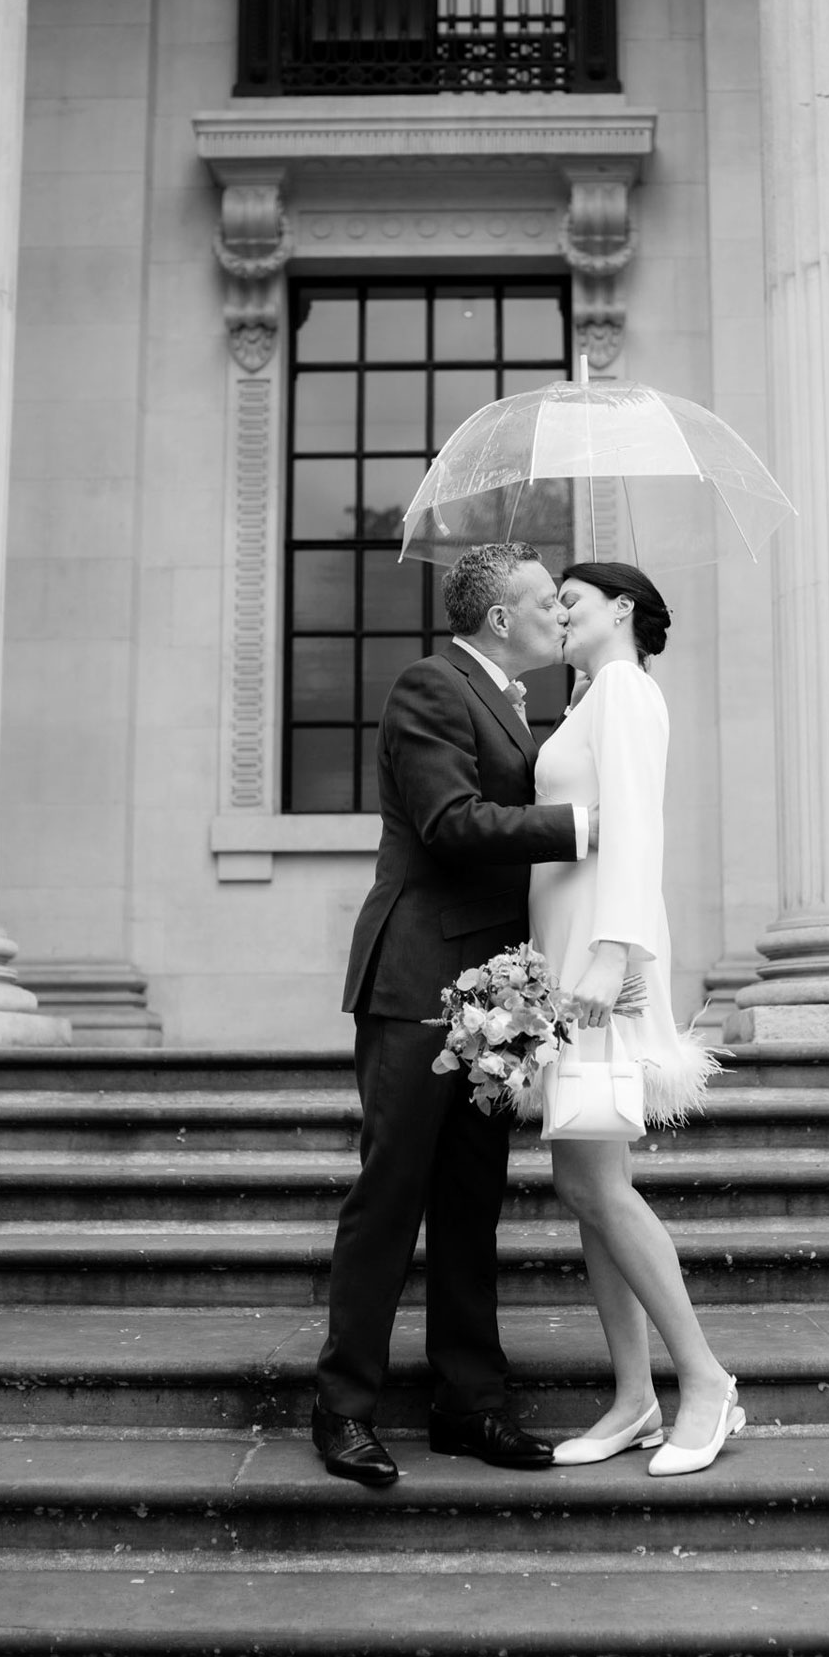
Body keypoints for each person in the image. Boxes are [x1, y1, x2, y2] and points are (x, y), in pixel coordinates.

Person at [313, 542, 595, 1487]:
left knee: (473, 1206)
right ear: (500, 619)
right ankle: (343, 1409)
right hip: (419, 979)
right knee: (391, 1197)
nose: (563, 612)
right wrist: (583, 826)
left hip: (496, 988)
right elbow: (450, 824)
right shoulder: (431, 687)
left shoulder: (519, 703)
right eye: (549, 600)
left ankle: (469, 1407)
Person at [529, 561, 743, 1478]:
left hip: (597, 968)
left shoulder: (622, 686)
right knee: (586, 1185)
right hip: (572, 960)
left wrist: (611, 955)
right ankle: (632, 1395)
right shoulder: (591, 700)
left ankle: (705, 1381)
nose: (559, 617)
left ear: (622, 610)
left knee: (598, 1186)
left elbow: (639, 828)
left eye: (571, 602)